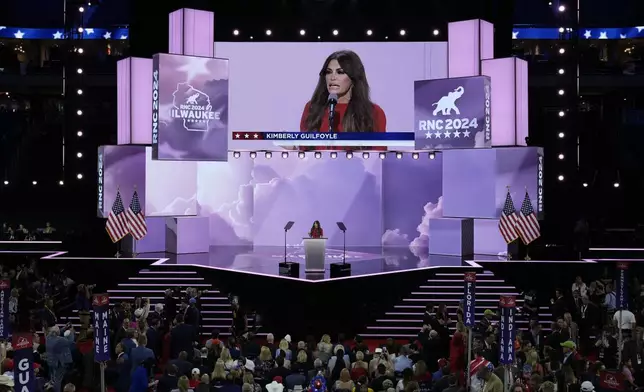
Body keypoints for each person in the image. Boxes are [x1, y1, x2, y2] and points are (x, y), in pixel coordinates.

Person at [300, 50, 386, 149]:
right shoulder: (312, 108)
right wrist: (294, 146)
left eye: (340, 72)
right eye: (328, 72)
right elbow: (304, 151)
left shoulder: (373, 112)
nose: (332, 77)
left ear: (353, 79)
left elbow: (378, 156)